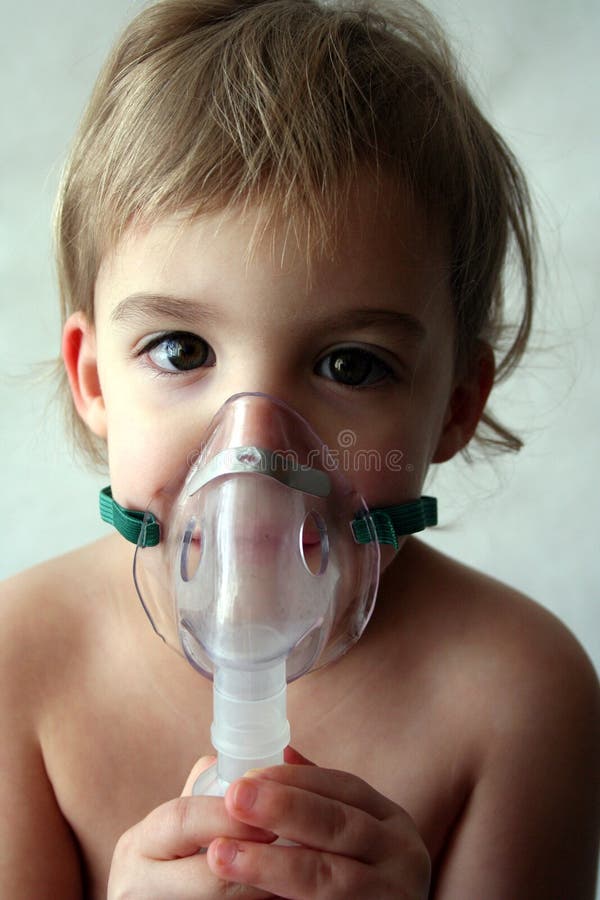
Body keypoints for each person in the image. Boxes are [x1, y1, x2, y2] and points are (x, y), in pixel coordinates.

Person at [1, 0, 598, 896]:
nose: (257, 447)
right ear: (93, 380)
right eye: (182, 351)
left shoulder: (519, 701)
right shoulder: (21, 671)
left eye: (350, 364)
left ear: (455, 407)